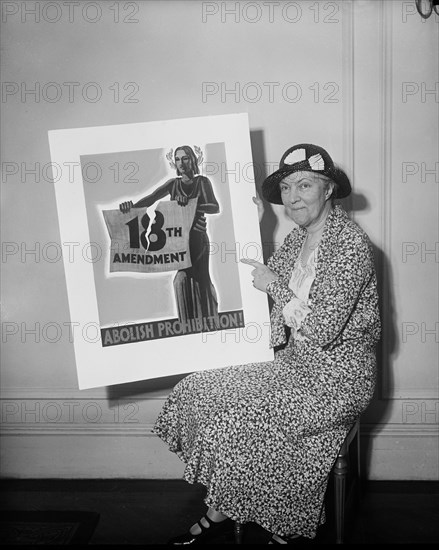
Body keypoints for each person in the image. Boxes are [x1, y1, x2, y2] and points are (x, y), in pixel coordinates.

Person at [153, 143, 381, 544]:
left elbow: (323, 327)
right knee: (200, 390)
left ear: (328, 190)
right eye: (287, 188)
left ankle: (262, 518)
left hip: (337, 380)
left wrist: (274, 285)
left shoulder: (350, 245)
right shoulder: (299, 238)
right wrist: (249, 219)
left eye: (305, 185)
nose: (293, 198)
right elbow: (256, 279)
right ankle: (227, 501)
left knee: (236, 418)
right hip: (294, 364)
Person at [119, 145, 220, 329]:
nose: (181, 163)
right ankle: (187, 325)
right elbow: (150, 199)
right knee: (181, 279)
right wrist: (131, 207)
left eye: (185, 158)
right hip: (180, 241)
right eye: (178, 159)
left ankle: (209, 322)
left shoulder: (202, 182)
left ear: (193, 160)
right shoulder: (173, 184)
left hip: (198, 239)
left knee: (201, 279)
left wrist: (191, 205)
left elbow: (214, 206)